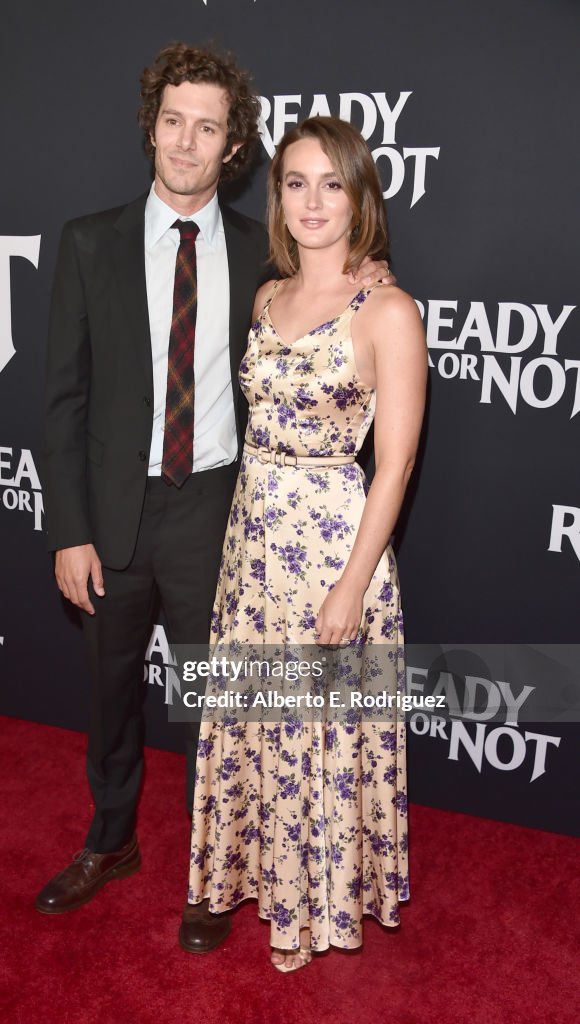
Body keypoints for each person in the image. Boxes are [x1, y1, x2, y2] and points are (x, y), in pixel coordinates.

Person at [38, 41, 390, 952]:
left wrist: (373, 277)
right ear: (150, 128)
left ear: (235, 146)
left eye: (209, 128)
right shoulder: (88, 242)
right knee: (112, 694)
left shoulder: (260, 255)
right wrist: (69, 530)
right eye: (173, 122)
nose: (187, 144)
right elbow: (62, 401)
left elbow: (333, 303)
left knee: (219, 706)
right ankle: (110, 841)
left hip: (220, 518)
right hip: (113, 515)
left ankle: (213, 871)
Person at [186, 115, 427, 970]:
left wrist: (351, 587)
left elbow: (395, 466)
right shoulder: (265, 298)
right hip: (252, 548)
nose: (314, 199)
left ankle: (321, 899)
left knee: (320, 731)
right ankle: (257, 873)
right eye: (296, 182)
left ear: (361, 196)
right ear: (277, 197)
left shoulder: (389, 309)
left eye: (333, 182)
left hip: (332, 551)